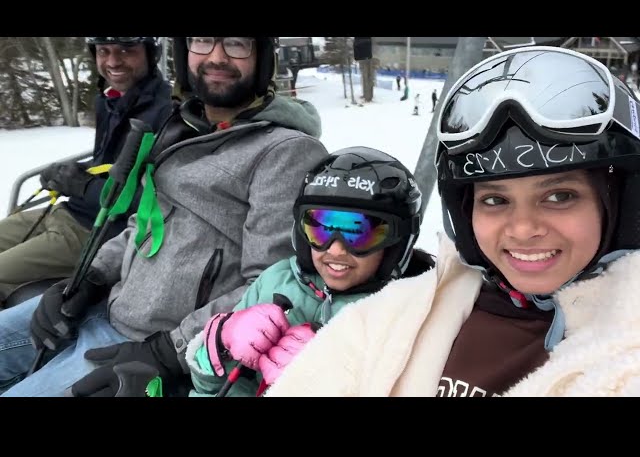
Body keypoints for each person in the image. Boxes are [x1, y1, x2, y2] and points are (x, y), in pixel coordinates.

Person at [265, 46, 640, 397]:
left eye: (559, 196)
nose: (523, 228)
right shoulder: (403, 312)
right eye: (495, 200)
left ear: (618, 203)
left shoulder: (627, 351)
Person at [0, 36, 328, 397]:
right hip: (104, 305)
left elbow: (272, 284)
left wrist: (168, 350)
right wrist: (90, 278)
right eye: (203, 41)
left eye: (236, 44)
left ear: (264, 58)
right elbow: (139, 224)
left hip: (150, 341)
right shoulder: (180, 127)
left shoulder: (284, 153)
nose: (216, 57)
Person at [183, 147, 434, 397]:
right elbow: (214, 390)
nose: (335, 250)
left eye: (357, 233)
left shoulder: (406, 315)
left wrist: (327, 381)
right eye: (320, 229)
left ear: (396, 244)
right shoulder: (276, 282)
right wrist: (219, 347)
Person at [0, 37, 173, 307]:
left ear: (151, 55)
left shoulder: (167, 116)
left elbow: (159, 203)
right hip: (68, 213)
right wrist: (71, 174)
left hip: (94, 232)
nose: (113, 61)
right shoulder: (111, 102)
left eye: (126, 51)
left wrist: (82, 186)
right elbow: (111, 166)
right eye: (104, 51)